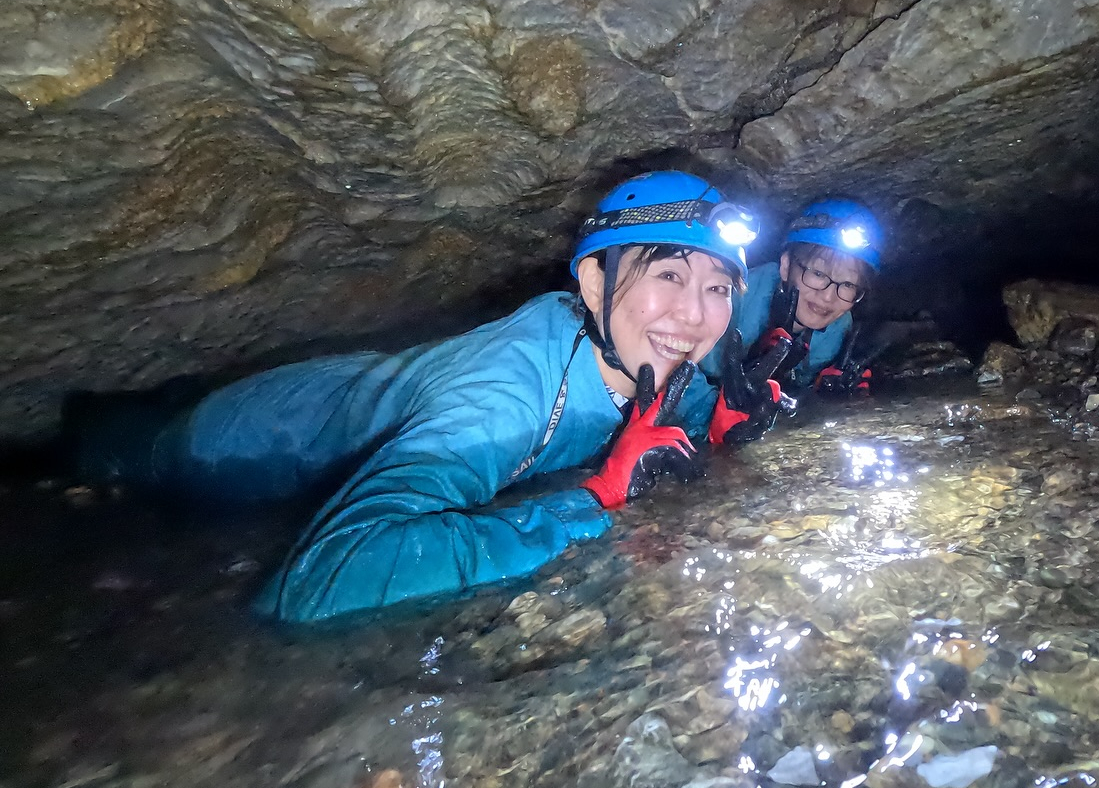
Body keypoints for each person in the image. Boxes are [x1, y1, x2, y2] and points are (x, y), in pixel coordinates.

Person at [71, 171, 787, 624]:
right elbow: (321, 578)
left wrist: (723, 425)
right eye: (668, 275)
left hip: (362, 389)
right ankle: (85, 420)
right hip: (248, 437)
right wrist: (590, 502)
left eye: (718, 287)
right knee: (116, 453)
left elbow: (662, 421)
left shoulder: (657, 362)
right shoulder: (505, 394)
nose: (694, 314)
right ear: (594, 286)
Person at [699, 198, 883, 404]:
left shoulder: (836, 330)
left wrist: (819, 392)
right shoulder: (737, 299)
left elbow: (796, 391)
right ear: (786, 266)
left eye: (848, 284)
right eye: (818, 273)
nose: (828, 296)